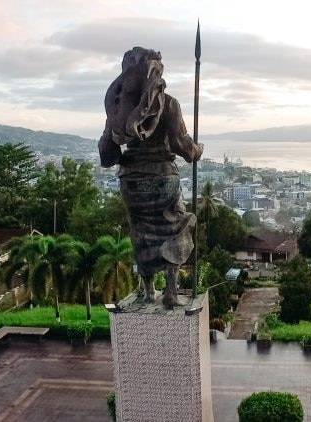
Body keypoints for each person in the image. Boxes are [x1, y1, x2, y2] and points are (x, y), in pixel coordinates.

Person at [98, 47, 203, 308]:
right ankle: (170, 290)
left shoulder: (118, 108)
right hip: (162, 181)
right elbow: (183, 147)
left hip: (131, 183)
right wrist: (198, 150)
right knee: (174, 227)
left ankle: (147, 290)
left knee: (141, 232)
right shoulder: (169, 104)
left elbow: (107, 155)